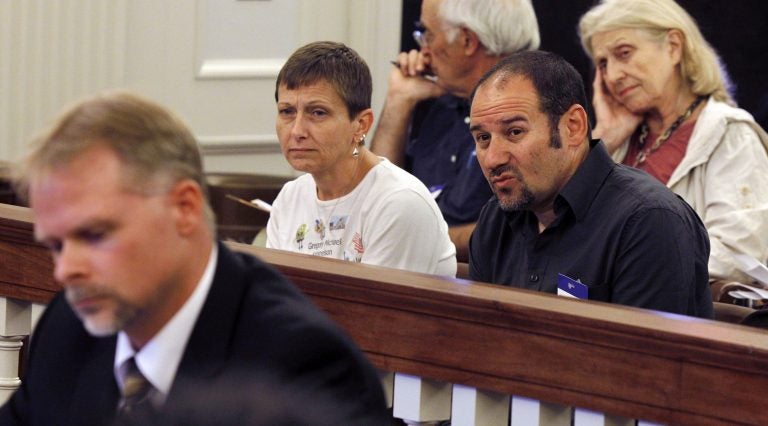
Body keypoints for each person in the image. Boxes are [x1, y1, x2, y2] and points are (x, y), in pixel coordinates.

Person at [0, 91, 389, 425]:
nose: (67, 270)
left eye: (95, 235)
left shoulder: (304, 368)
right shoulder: (68, 330)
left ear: (184, 209)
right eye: (56, 246)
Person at [468, 50, 713, 318]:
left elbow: (646, 358)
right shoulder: (496, 218)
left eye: (514, 132)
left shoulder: (649, 220)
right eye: (483, 138)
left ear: (573, 126)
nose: (493, 158)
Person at [578, 0, 768, 286]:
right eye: (603, 64)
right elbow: (557, 231)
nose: (613, 75)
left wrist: (626, 268)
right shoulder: (615, 143)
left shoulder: (729, 134)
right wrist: (603, 137)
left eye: (624, 53)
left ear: (673, 46)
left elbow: (739, 257)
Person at [267, 41, 456, 277]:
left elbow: (376, 312)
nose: (296, 131)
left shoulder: (399, 203)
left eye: (318, 113)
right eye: (287, 111)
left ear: (361, 125)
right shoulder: (289, 198)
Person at [369, 0, 540, 261]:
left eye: (428, 34)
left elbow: (523, 227)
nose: (422, 50)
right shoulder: (439, 98)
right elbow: (375, 200)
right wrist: (399, 100)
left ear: (468, 41)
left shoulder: (532, 114)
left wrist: (415, 238)